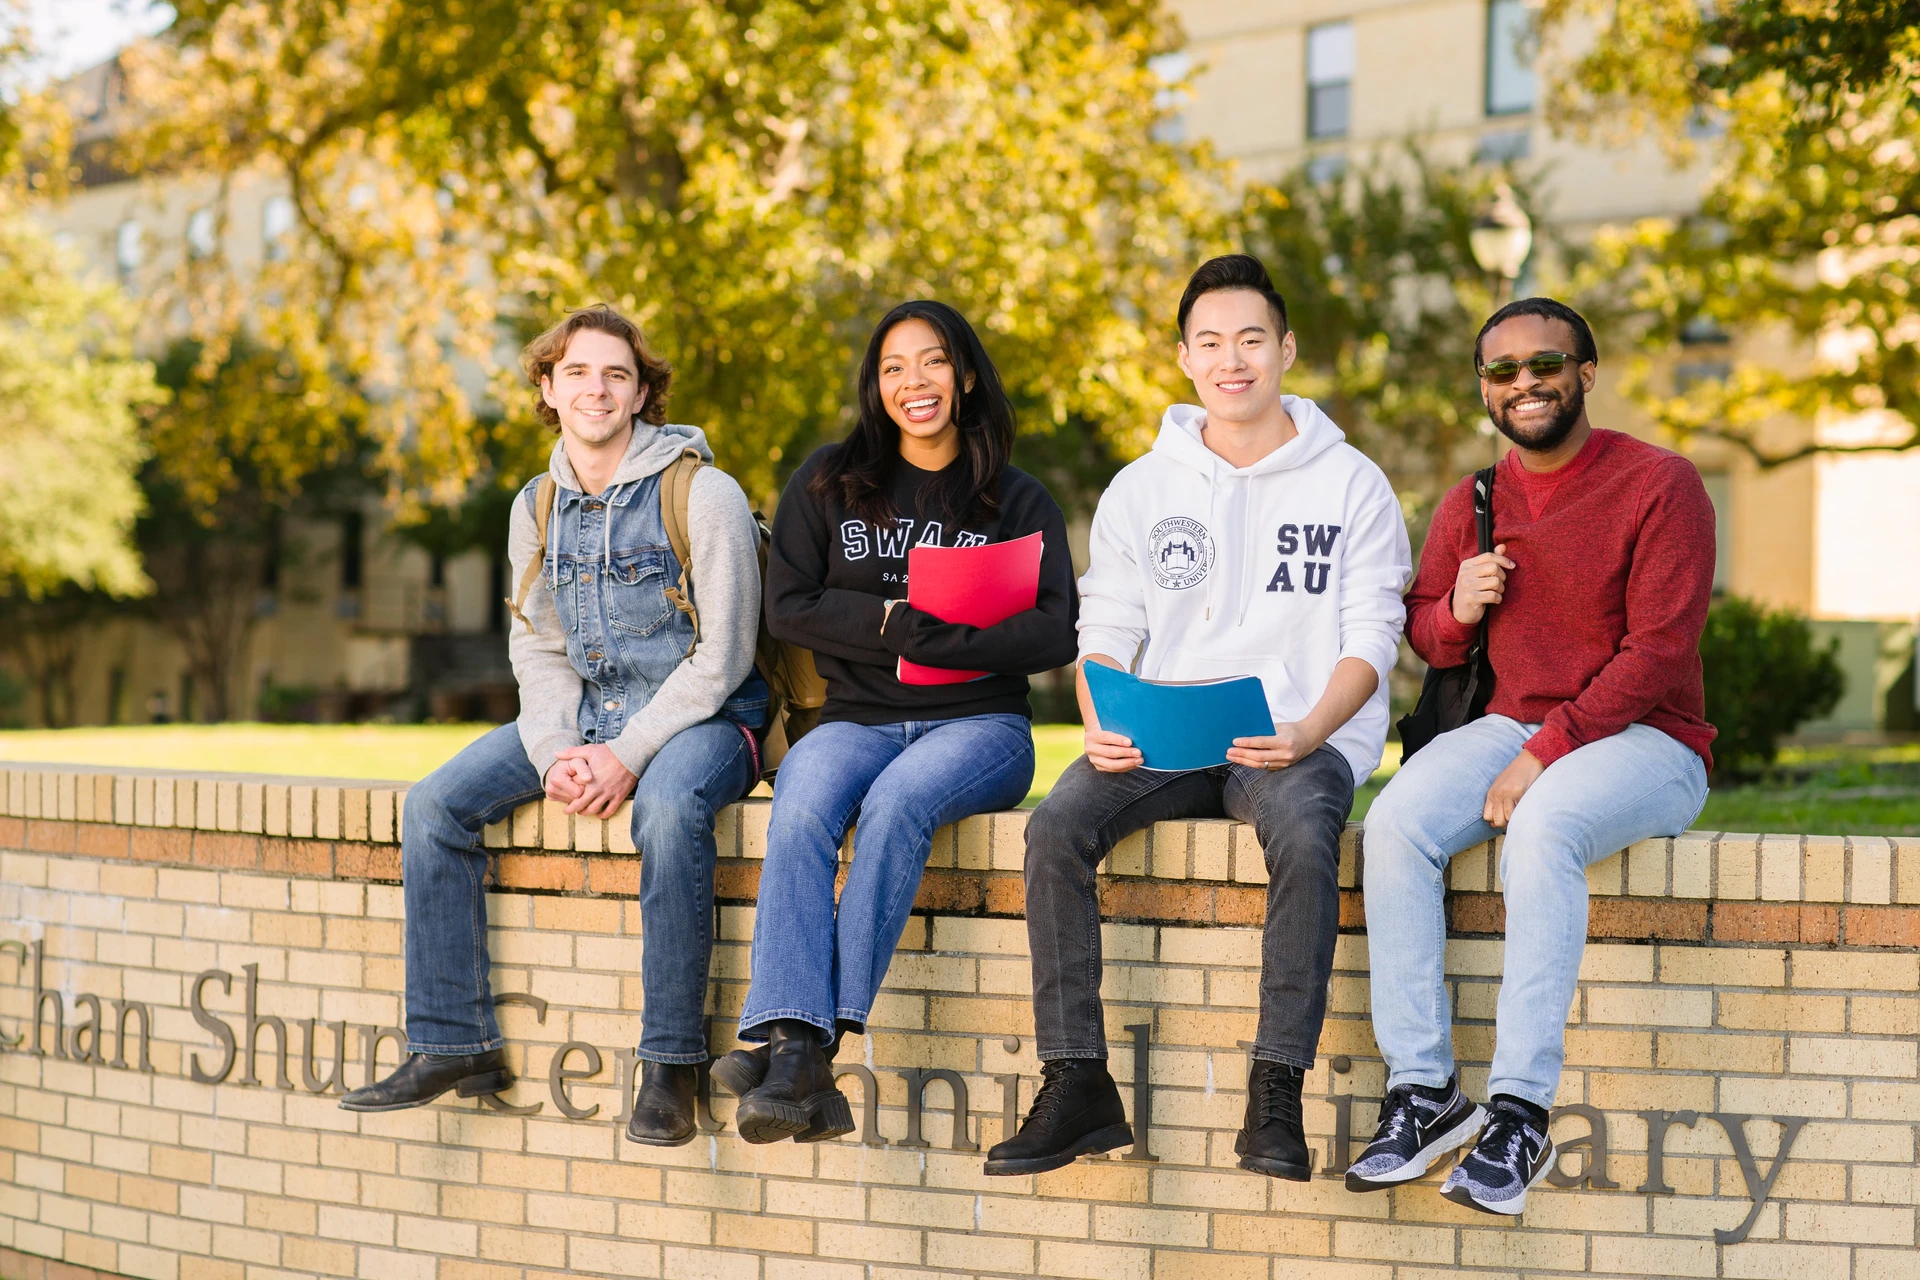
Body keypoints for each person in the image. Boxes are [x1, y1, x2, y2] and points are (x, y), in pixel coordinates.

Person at [985, 255, 1411, 1178]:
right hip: (1164, 735)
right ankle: (1076, 1082)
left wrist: (1307, 734)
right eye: (1211, 342)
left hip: (1290, 739)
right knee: (1055, 827)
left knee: (1303, 836)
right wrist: (1101, 716)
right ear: (1184, 359)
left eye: (1251, 339)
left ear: (1286, 350)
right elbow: (1104, 628)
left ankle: (1275, 1094)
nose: (1233, 360)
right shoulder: (1145, 485)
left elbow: (1373, 638)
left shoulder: (1352, 485)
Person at [339, 304, 770, 1150]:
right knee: (432, 808)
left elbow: (723, 660)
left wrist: (624, 755)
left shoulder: (704, 493)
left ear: (643, 390)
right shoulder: (535, 507)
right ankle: (452, 1043)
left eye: (617, 374)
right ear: (547, 385)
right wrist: (556, 753)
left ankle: (672, 1064)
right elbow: (536, 647)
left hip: (707, 717)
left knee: (669, 811)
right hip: (587, 717)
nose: (597, 389)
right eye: (577, 372)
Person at [1349, 297, 1715, 1215]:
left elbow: (1658, 653)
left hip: (1652, 741)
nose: (1524, 383)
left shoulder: (1660, 484)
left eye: (1544, 363)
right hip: (1510, 728)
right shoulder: (1474, 499)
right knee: (1392, 825)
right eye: (1502, 371)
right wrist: (1460, 608)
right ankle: (1426, 1092)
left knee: (1541, 831)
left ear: (1585, 374)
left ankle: (1519, 1115)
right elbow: (1428, 639)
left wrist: (1544, 753)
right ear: (1484, 388)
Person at [715, 299, 1078, 1144]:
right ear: (874, 387)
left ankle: (798, 1046)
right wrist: (889, 621)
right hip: (856, 719)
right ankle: (804, 1051)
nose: (914, 383)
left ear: (965, 374)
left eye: (933, 362)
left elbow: (1055, 628)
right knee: (800, 800)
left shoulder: (1014, 498)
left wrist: (945, 637)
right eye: (893, 368)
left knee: (896, 806)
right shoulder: (828, 480)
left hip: (980, 725)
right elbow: (790, 606)